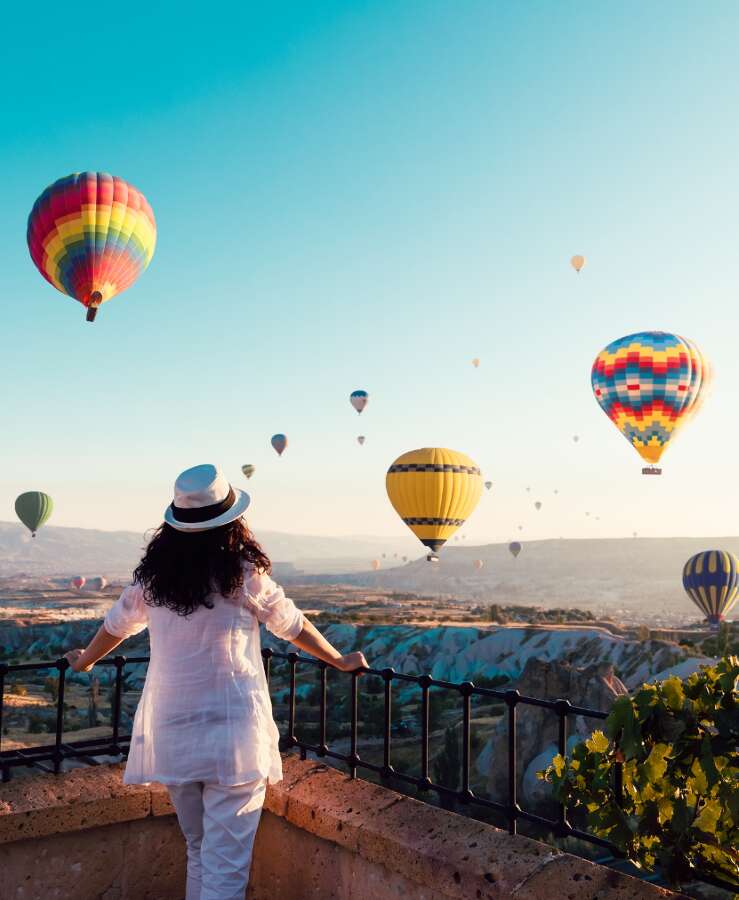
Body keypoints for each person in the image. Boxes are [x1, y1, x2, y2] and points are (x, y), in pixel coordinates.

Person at [65, 464, 368, 900]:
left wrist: (85, 662)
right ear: (232, 520)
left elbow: (116, 626)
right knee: (225, 868)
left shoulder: (153, 580)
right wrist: (337, 659)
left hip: (173, 730)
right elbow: (291, 624)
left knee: (199, 849)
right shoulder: (242, 574)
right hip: (232, 735)